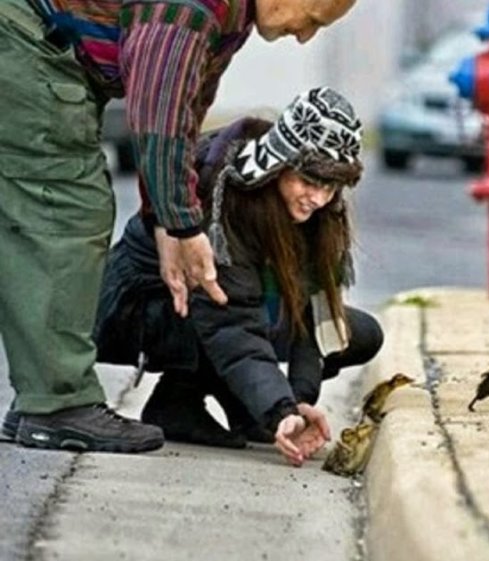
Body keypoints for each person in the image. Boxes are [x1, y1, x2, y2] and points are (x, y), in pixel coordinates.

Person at [0, 0, 361, 454]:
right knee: (67, 203)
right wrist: (182, 225)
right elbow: (159, 109)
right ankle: (55, 406)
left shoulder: (233, 18)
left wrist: (163, 219)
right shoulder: (197, 5)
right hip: (26, 39)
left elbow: (187, 114)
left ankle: (63, 401)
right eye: (313, 19)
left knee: (353, 328)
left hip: (48, 49)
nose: (307, 36)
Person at [92, 87, 383, 466]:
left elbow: (316, 316)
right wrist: (277, 409)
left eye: (329, 187)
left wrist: (296, 401)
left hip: (224, 310)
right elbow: (230, 326)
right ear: (280, 162)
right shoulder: (226, 191)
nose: (317, 198)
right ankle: (180, 400)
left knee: (357, 333)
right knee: (238, 315)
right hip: (137, 309)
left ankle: (235, 404)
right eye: (308, 182)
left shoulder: (322, 214)